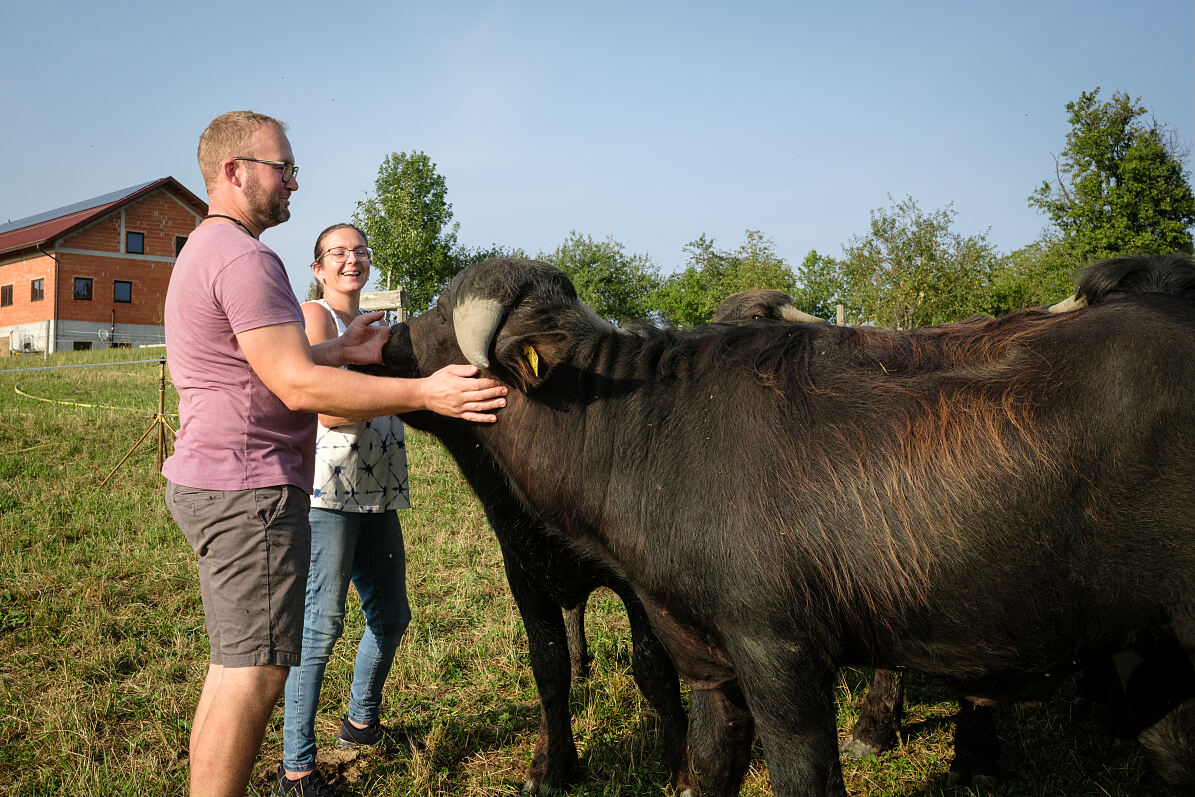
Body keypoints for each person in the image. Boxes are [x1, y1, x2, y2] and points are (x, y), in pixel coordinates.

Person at [162, 110, 507, 797]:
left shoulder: (206, 249)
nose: (292, 182)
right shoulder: (245, 256)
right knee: (255, 673)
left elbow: (264, 364)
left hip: (217, 478)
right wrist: (427, 394)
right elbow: (293, 386)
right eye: (281, 168)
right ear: (233, 172)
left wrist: (332, 352)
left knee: (234, 669)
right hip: (247, 488)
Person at [275, 223, 413, 796]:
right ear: (318, 267)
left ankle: (360, 724)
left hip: (378, 492)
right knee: (320, 625)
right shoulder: (316, 319)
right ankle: (297, 767)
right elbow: (329, 410)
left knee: (392, 616)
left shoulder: (378, 326)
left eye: (359, 252)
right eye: (338, 253)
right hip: (329, 496)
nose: (351, 261)